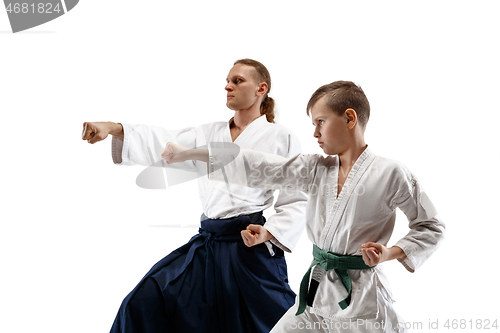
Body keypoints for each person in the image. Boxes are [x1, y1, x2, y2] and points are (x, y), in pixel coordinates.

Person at [163, 81, 446, 333]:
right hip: (316, 291)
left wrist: (389, 253)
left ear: (349, 118)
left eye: (320, 122)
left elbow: (431, 226)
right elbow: (258, 165)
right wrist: (191, 154)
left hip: (362, 302)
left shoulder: (390, 173)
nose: (315, 133)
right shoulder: (316, 169)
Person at [81, 59, 308, 333]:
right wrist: (115, 127)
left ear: (261, 88)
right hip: (208, 246)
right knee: (144, 301)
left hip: (249, 247)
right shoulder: (209, 133)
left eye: (237, 81)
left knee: (274, 324)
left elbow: (296, 197)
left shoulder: (280, 138)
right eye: (227, 80)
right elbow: (166, 143)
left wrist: (269, 232)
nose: (227, 86)